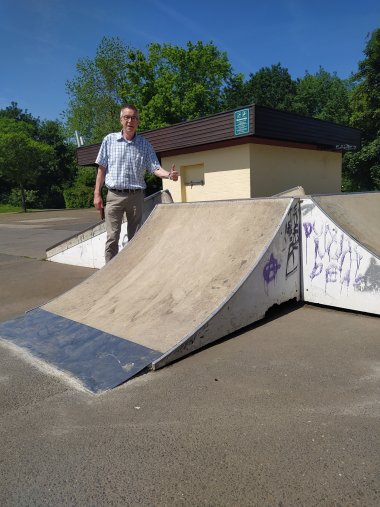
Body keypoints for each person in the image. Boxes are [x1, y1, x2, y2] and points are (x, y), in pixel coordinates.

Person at [94, 104, 178, 262]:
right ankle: (109, 273)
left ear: (138, 122)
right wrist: (97, 194)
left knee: (135, 239)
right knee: (112, 237)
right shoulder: (109, 140)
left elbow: (155, 167)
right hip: (114, 196)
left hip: (136, 197)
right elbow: (101, 169)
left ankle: (130, 271)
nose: (130, 121)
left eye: (133, 118)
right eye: (126, 117)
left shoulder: (145, 145)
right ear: (121, 120)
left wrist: (168, 175)